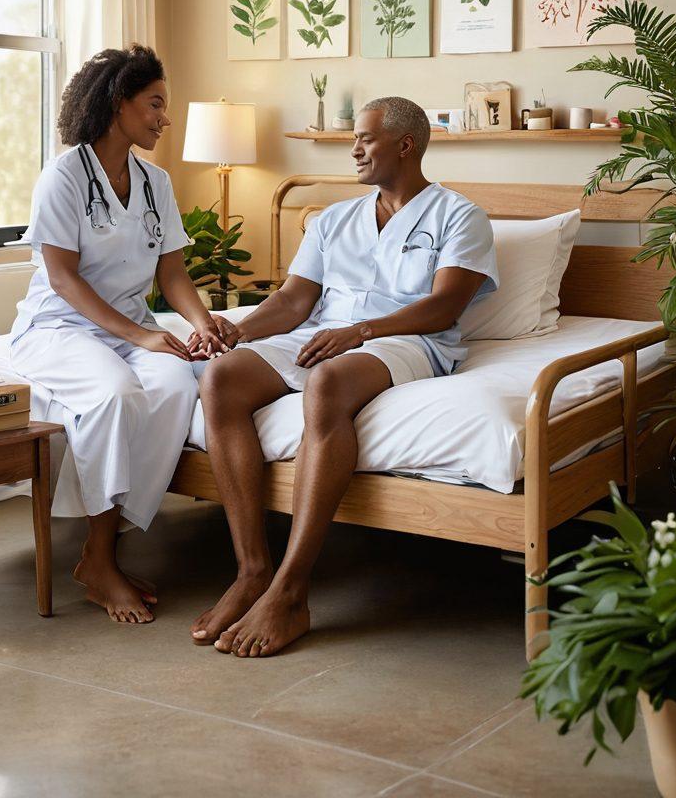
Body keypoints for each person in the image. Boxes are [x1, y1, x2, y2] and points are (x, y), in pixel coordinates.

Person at [189, 96, 498, 657]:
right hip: (327, 333)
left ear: (406, 145)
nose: (353, 148)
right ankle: (253, 569)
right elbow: (293, 301)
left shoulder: (459, 215)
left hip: (411, 340)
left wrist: (361, 332)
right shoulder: (333, 219)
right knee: (221, 380)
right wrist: (241, 330)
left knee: (328, 382)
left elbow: (445, 307)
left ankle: (290, 589)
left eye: (365, 138)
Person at [11, 45, 231, 625]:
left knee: (179, 383)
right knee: (114, 395)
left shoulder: (154, 181)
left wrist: (203, 323)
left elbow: (173, 271)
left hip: (130, 328)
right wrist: (139, 334)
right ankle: (103, 559)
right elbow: (60, 277)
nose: (165, 117)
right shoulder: (63, 176)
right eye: (156, 103)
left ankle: (99, 551)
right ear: (118, 102)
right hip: (59, 328)